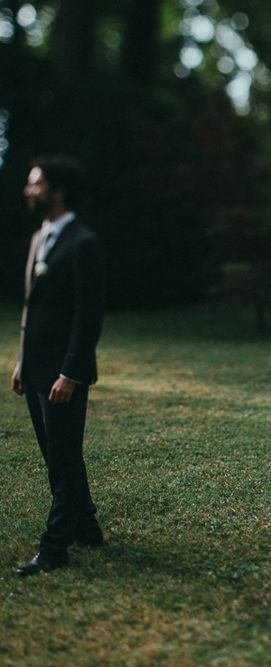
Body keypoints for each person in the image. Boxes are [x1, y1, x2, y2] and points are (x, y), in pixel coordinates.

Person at [11, 155, 105, 577]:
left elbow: (88, 317)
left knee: (63, 457)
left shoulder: (83, 243)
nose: (29, 191)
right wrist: (21, 360)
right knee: (57, 454)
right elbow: (33, 307)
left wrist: (71, 373)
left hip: (63, 373)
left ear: (58, 191)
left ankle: (55, 548)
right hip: (34, 368)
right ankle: (87, 527)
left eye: (36, 184)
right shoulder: (40, 238)